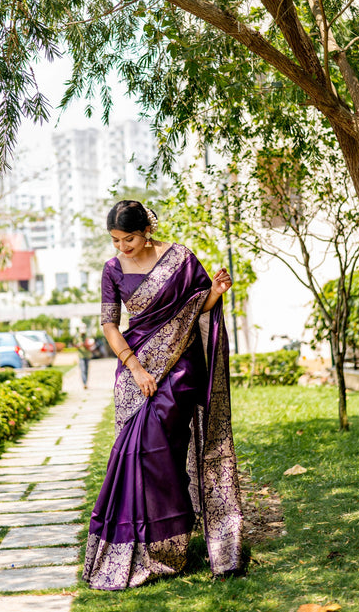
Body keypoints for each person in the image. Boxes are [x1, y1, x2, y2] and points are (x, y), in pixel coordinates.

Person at [82, 200, 244, 590]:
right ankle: (141, 545)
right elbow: (109, 325)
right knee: (134, 455)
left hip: (179, 371)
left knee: (164, 455)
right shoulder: (111, 270)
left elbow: (195, 311)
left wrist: (216, 292)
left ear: (146, 231)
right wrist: (136, 368)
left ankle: (170, 544)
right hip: (134, 370)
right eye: (116, 240)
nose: (123, 247)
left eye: (130, 239)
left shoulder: (180, 259)